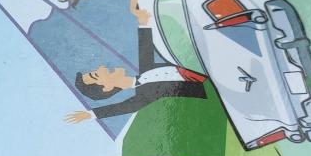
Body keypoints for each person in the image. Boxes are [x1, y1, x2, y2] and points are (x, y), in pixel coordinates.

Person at [65, 25, 207, 123]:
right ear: (107, 88)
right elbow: (120, 108)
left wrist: (143, 19)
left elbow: (145, 45)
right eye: (96, 74)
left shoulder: (146, 70)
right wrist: (91, 114)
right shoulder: (144, 97)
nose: (101, 67)